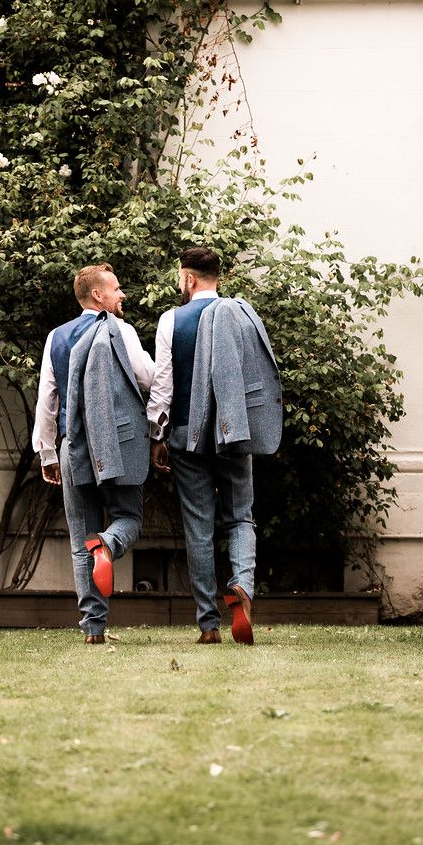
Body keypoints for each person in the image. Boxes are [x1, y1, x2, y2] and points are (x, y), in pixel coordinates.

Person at [147, 246, 282, 645]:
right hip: (234, 434)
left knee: (199, 528)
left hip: (188, 437)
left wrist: (158, 435)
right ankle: (241, 585)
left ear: (188, 279)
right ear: (216, 276)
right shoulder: (242, 316)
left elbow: (163, 386)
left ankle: (208, 625)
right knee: (241, 517)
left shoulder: (171, 319)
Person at [33, 264, 155, 644]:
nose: (122, 296)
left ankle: (93, 629)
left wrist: (47, 453)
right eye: (117, 289)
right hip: (116, 444)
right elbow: (147, 378)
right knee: (128, 518)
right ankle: (108, 543)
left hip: (72, 446)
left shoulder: (57, 336)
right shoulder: (122, 331)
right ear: (98, 296)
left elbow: (47, 400)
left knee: (78, 538)